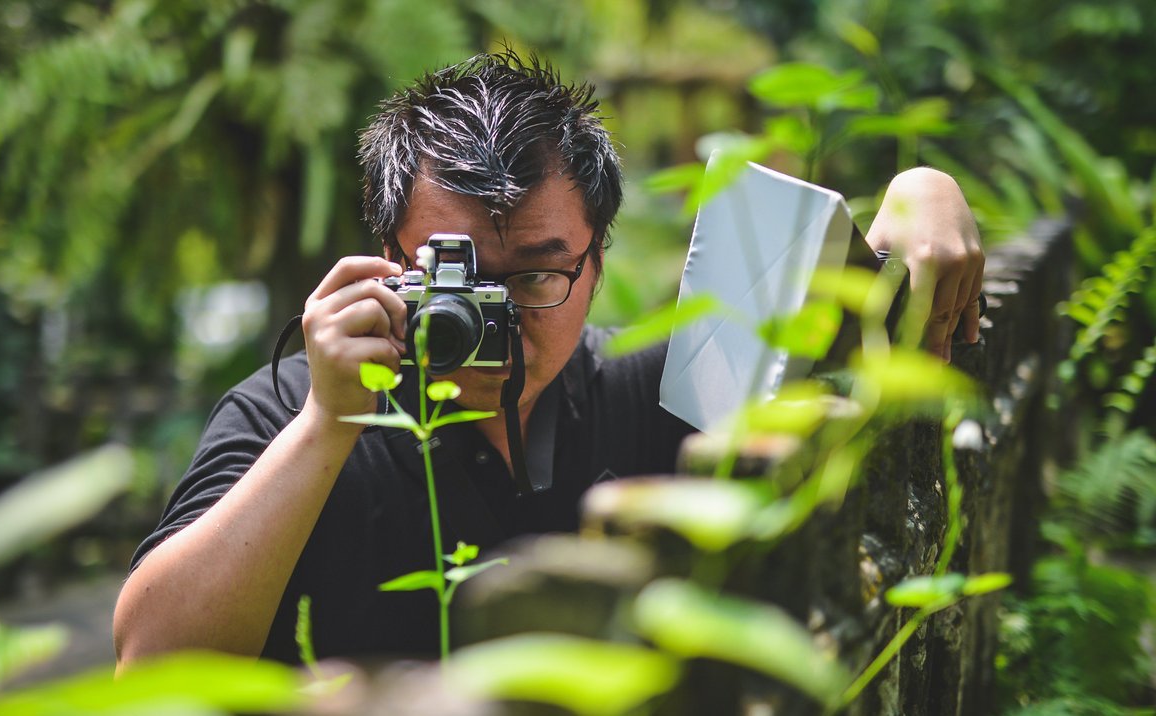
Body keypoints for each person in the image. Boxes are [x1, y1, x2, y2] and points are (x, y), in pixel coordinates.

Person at [113, 51, 984, 667]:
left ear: (597, 261)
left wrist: (923, 190)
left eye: (535, 274)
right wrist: (326, 425)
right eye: (456, 275)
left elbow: (867, 327)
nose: (494, 316)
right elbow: (149, 661)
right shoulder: (288, 415)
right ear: (387, 254)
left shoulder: (664, 393)